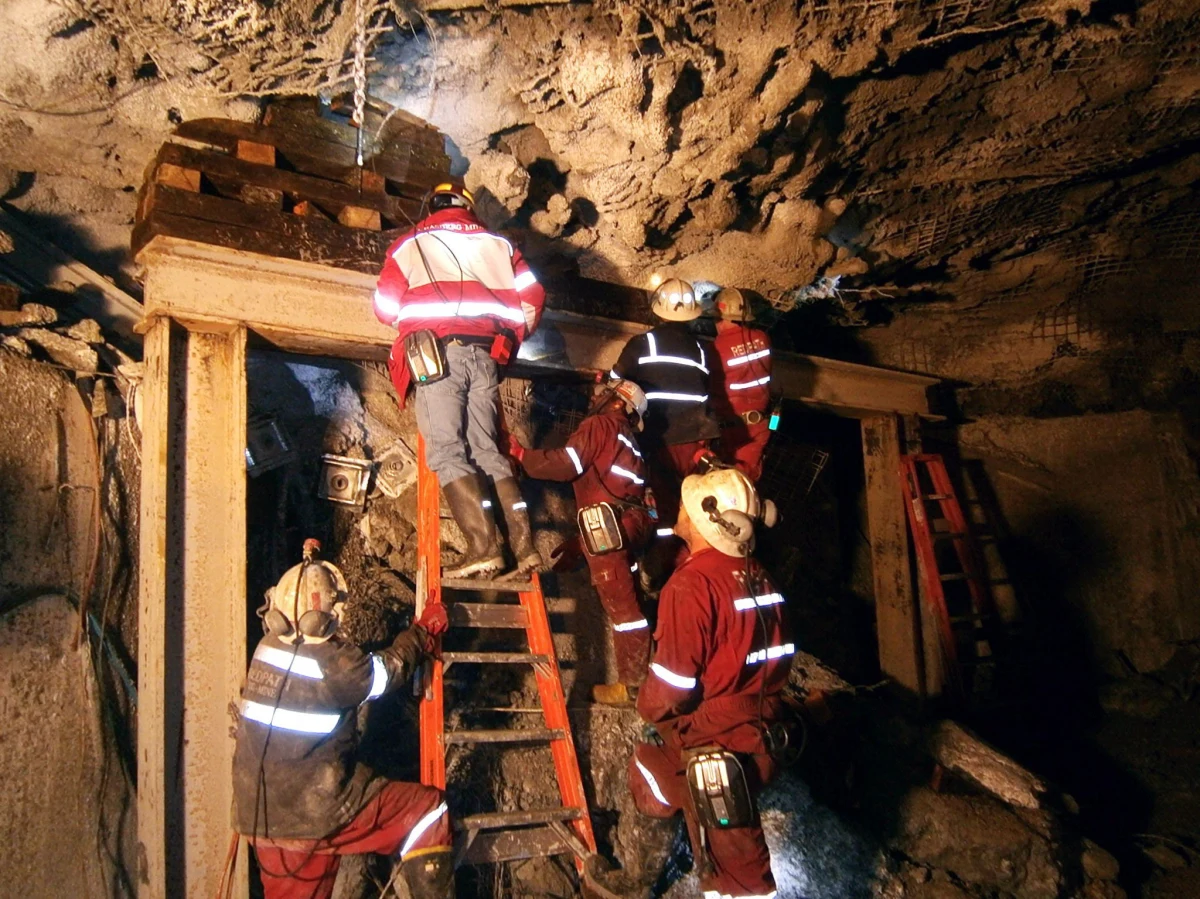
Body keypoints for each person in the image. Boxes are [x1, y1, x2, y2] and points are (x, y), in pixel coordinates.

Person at [233, 540, 454, 899]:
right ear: (329, 615)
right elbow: (388, 672)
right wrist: (423, 632)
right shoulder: (336, 663)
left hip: (258, 815)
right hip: (316, 811)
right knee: (427, 811)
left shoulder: (266, 648)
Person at [628, 468, 792, 899]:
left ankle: (641, 879)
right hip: (766, 730)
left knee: (647, 768)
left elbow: (671, 688)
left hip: (718, 744)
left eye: (686, 502)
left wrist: (646, 708)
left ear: (709, 518)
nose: (678, 508)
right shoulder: (760, 575)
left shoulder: (692, 585)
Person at [373, 182, 546, 578]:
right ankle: (524, 548)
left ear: (431, 205)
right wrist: (510, 334)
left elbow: (384, 308)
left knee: (448, 451)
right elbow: (533, 299)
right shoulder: (499, 246)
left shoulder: (411, 243)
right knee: (487, 450)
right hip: (486, 357)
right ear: (468, 207)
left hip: (437, 357)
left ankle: (483, 548)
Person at [506, 379, 654, 705]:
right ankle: (638, 679)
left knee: (623, 607)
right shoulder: (629, 439)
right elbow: (618, 491)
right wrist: (581, 543)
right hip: (628, 526)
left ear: (618, 402)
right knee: (627, 597)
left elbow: (567, 464)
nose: (595, 399)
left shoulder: (601, 423)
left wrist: (521, 455)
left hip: (608, 526)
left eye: (603, 394)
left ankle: (633, 687)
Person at [609, 278, 719, 531]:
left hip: (659, 438)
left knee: (662, 506)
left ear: (656, 310)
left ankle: (665, 560)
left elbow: (615, 382)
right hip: (697, 440)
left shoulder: (643, 343)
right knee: (692, 505)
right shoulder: (701, 350)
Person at [709, 287, 774, 483]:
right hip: (759, 427)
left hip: (730, 431)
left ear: (722, 318)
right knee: (744, 485)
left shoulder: (716, 348)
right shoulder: (763, 339)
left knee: (722, 487)